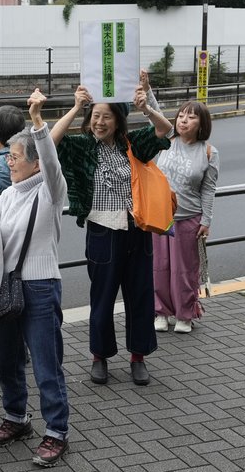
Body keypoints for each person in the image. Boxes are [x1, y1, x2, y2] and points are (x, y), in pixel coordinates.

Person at [51, 82, 172, 386]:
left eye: (106, 117)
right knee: (102, 297)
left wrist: (146, 108)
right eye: (95, 116)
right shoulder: (81, 146)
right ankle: (99, 356)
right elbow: (50, 142)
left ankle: (138, 357)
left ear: (118, 120)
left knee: (140, 295)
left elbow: (164, 129)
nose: (99, 122)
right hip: (102, 232)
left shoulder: (132, 144)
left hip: (137, 231)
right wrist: (77, 106)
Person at [0, 89, 70, 467]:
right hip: (7, 286)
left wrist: (37, 123)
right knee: (8, 357)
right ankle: (17, 418)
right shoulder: (8, 195)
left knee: (46, 363)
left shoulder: (51, 192)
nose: (9, 163)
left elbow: (52, 161)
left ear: (34, 163)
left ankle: (56, 432)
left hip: (39, 286)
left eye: (15, 158)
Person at [152, 101, 218, 335]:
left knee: (185, 271)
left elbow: (208, 189)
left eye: (190, 117)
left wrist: (206, 221)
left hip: (189, 218)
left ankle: (185, 314)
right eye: (181, 116)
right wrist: (146, 88)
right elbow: (155, 111)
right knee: (159, 267)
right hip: (161, 217)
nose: (183, 120)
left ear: (202, 123)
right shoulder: (168, 138)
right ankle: (161, 311)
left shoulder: (208, 152)